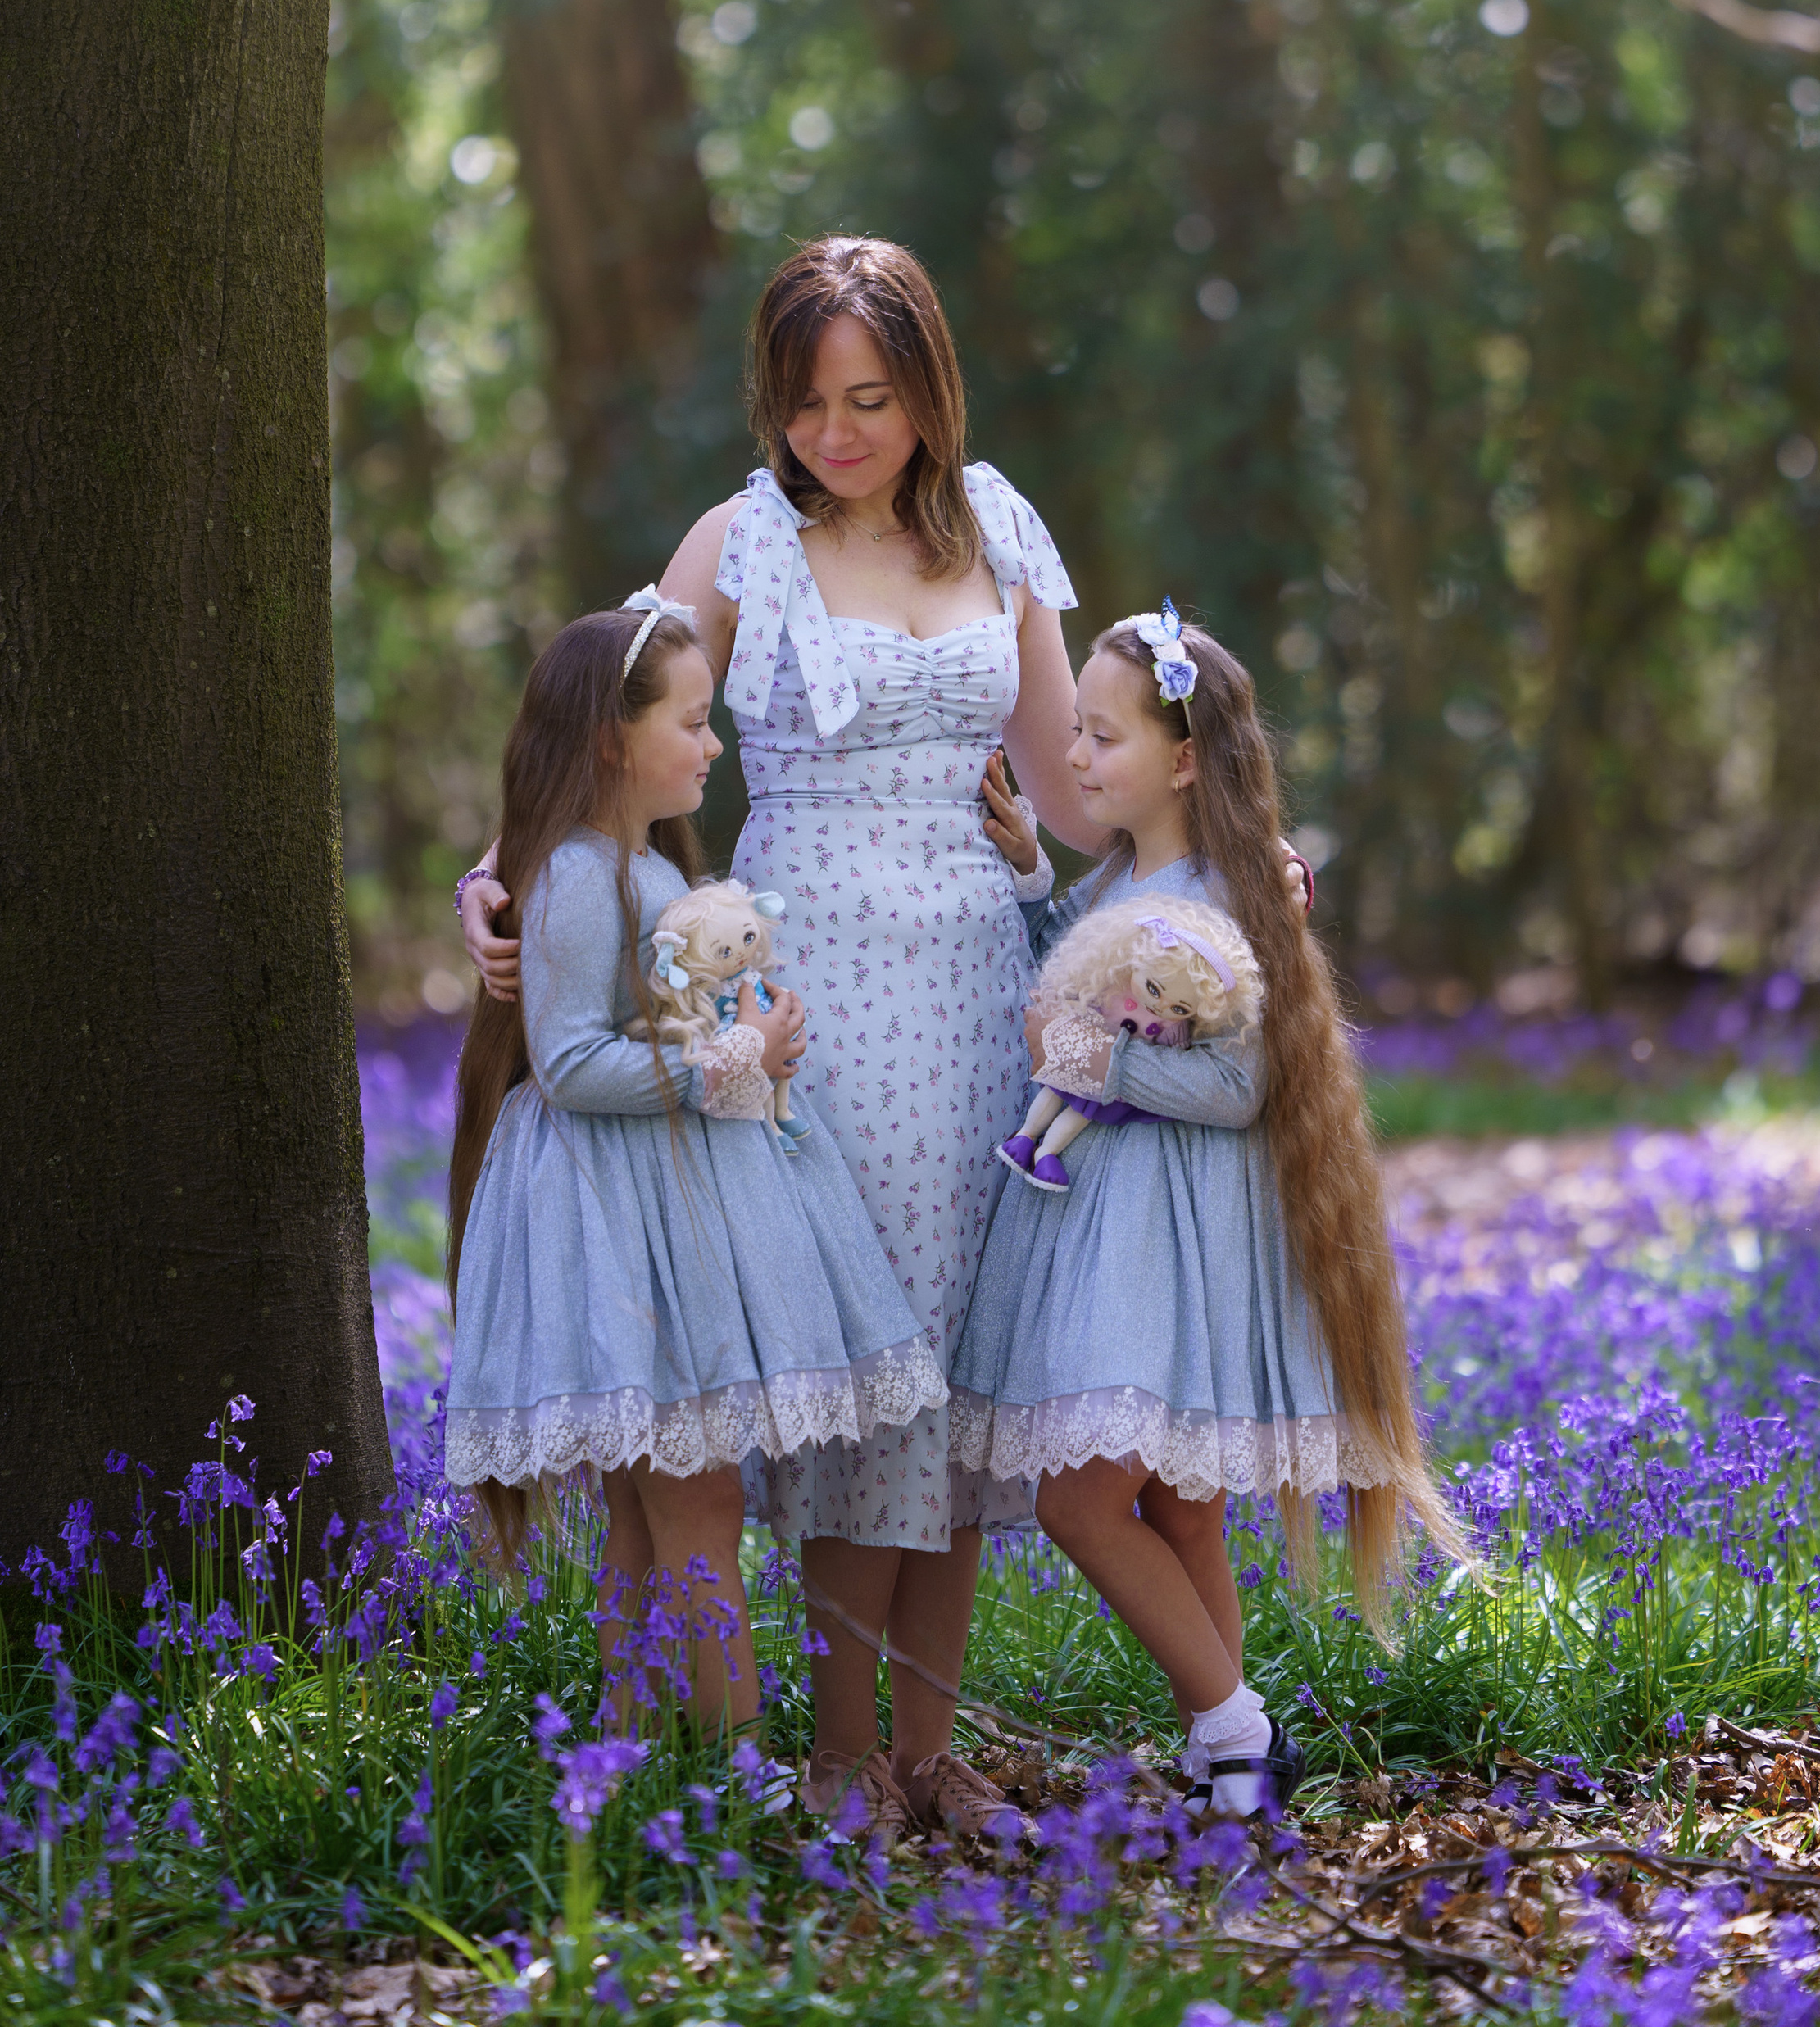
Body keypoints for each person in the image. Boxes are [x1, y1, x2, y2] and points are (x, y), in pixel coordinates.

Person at [463, 235, 1087, 1845]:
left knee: (953, 1376)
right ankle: (829, 1766)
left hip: (974, 988)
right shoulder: (737, 542)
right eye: (807, 405)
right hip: (798, 995)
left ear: (927, 392)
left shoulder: (1001, 527)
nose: (836, 436)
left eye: (868, 400)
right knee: (850, 1374)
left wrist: (1232, 847)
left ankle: (925, 1757)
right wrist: (498, 878)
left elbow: (1082, 792)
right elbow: (595, 723)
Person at [950, 605, 1465, 1817]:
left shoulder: (1229, 896)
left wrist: (1095, 1063)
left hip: (1172, 1230)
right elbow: (1078, 979)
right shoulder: (1128, 876)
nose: (1075, 756)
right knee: (1179, 1506)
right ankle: (1231, 1760)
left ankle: (1240, 1725)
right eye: (1074, 731)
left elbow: (1237, 1091)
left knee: (1081, 1496)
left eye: (1104, 736)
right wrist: (1035, 878)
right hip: (1115, 1221)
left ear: (1184, 757)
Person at [444, 591, 946, 1775]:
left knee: (653, 1510)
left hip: (667, 1204)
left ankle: (625, 1755)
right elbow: (568, 1066)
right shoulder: (579, 877)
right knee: (698, 1502)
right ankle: (741, 1770)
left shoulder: (628, 866)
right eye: (693, 720)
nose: (713, 745)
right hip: (622, 1215)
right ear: (614, 738)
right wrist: (734, 1058)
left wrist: (746, 1037)